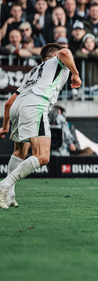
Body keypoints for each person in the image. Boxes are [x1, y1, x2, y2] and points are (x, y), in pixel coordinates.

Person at [0, 43, 82, 209]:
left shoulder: (33, 72)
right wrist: (76, 74)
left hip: (18, 107)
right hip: (36, 105)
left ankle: (9, 196)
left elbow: (8, 104)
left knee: (19, 152)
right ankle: (4, 185)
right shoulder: (58, 61)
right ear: (55, 56)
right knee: (43, 156)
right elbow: (65, 52)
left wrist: (5, 127)